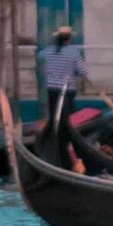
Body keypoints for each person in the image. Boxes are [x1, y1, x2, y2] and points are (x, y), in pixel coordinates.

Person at [39, 23, 88, 151]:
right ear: (69, 39)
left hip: (52, 89)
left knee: (54, 114)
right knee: (67, 119)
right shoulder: (73, 52)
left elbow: (40, 56)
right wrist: (73, 71)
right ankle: (66, 144)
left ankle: (54, 139)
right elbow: (83, 71)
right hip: (67, 90)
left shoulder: (49, 51)